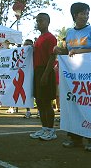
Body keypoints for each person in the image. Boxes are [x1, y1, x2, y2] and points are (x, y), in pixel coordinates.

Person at [54, 2, 91, 152]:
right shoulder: (69, 33)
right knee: (74, 106)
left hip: (90, 76)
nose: (86, 16)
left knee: (90, 107)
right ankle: (75, 138)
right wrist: (59, 50)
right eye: (82, 13)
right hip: (73, 78)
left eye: (87, 13)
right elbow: (66, 53)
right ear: (75, 15)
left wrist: (82, 51)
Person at [29, 13, 57, 141]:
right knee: (39, 102)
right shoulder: (39, 38)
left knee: (46, 102)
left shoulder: (50, 38)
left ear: (48, 21)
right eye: (37, 21)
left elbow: (52, 57)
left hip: (45, 71)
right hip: (37, 71)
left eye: (41, 21)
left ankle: (51, 130)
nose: (39, 23)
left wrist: (45, 75)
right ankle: (44, 128)